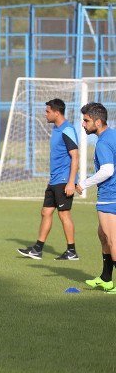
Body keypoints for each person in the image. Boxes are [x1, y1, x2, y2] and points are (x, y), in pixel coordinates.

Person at [18, 98, 80, 261]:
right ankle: (37, 249)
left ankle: (71, 251)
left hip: (63, 180)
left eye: (47, 111)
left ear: (56, 112)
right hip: (54, 180)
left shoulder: (68, 130)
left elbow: (75, 156)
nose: (45, 114)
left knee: (64, 214)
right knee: (45, 212)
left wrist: (71, 181)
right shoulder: (56, 129)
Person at [76, 103, 116, 293]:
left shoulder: (103, 142)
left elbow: (108, 170)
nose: (83, 124)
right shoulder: (112, 135)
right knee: (102, 235)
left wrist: (84, 184)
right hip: (111, 195)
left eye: (86, 120)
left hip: (110, 196)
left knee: (111, 239)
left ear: (98, 122)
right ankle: (106, 278)